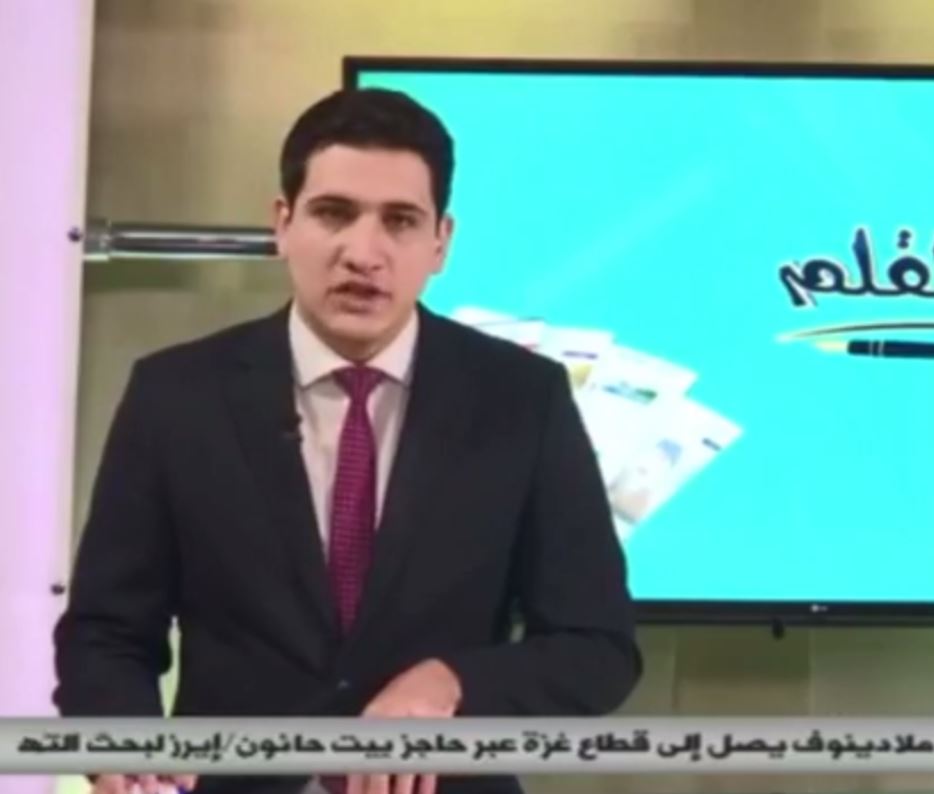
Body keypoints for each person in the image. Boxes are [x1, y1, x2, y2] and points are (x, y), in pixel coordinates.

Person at [53, 88, 642, 794]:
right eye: (334, 213)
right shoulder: (177, 396)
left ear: (441, 242)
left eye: (400, 221)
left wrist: (452, 682)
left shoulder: (522, 399)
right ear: (283, 223)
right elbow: (106, 632)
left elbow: (596, 647)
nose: (363, 253)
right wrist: (121, 741)